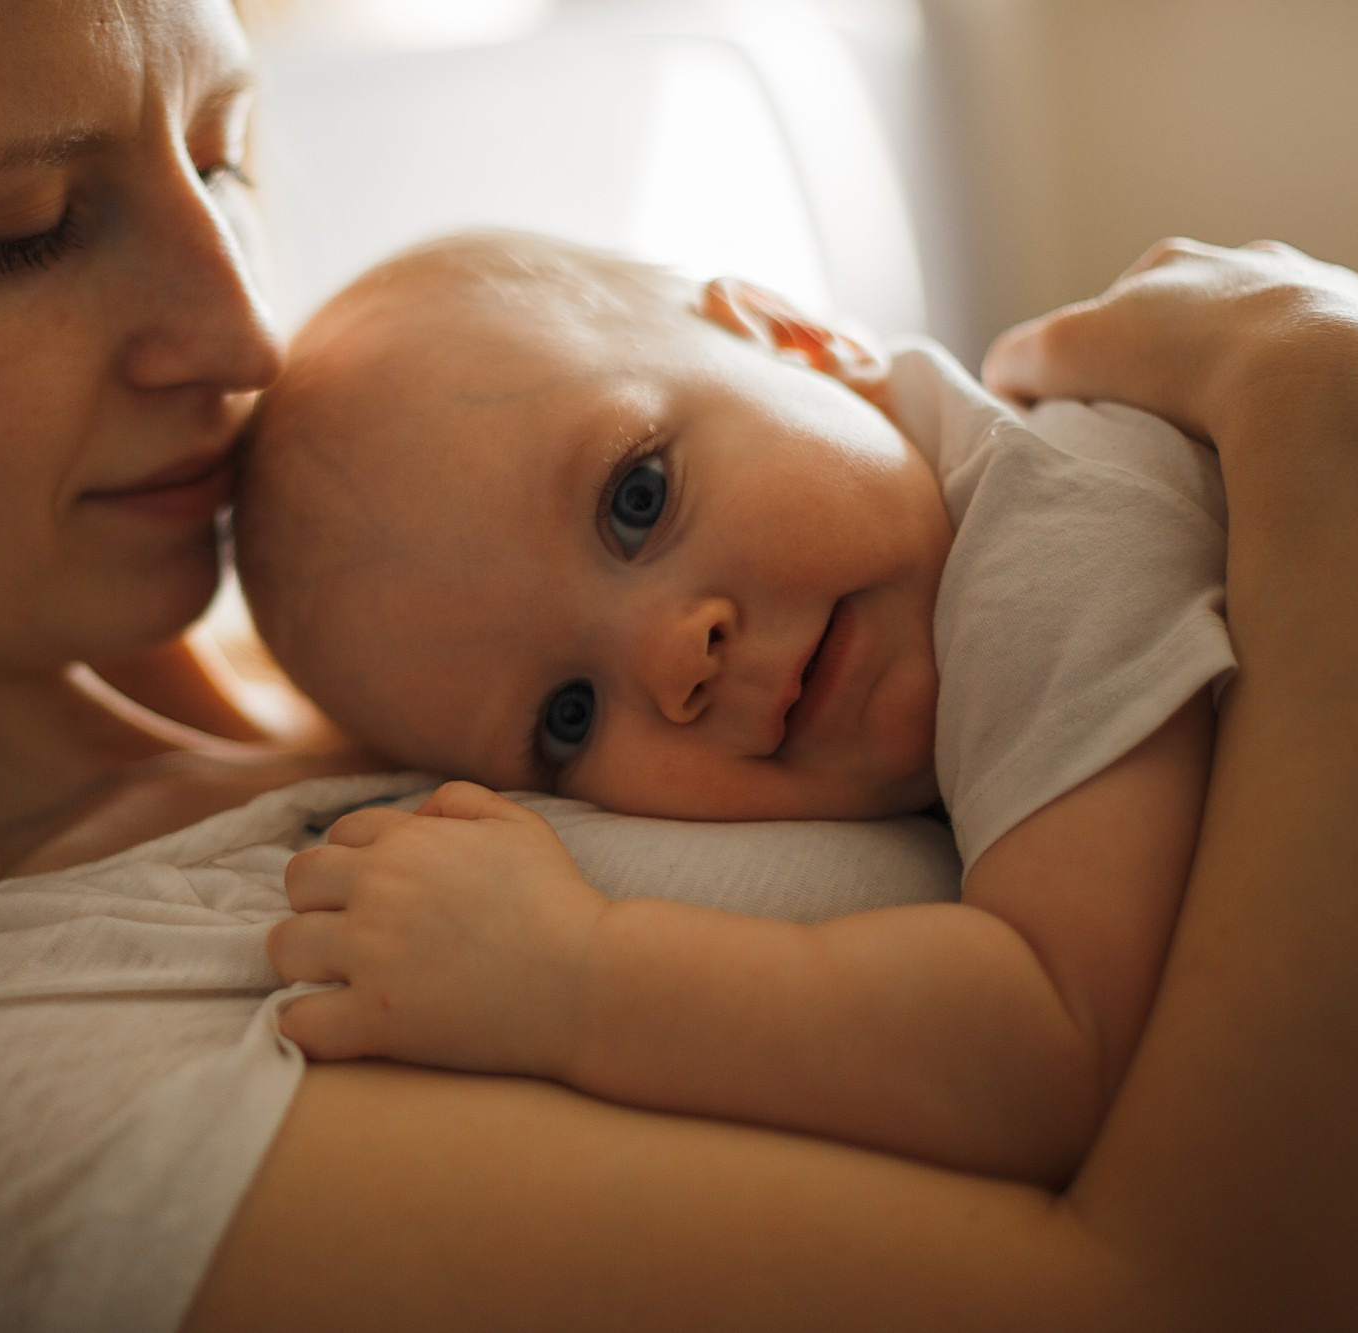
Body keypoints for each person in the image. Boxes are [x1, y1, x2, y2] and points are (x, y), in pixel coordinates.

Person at [0, 0, 1358, 1325]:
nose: (239, 328)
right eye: (25, 231)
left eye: (223, 152)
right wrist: (1350, 449)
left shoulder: (415, 628)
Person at [235, 230, 1229, 1186]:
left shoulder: (1055, 537)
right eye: (569, 717)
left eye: (637, 500)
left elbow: (1039, 1058)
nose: (675, 660)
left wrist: (570, 974)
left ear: (795, 334)